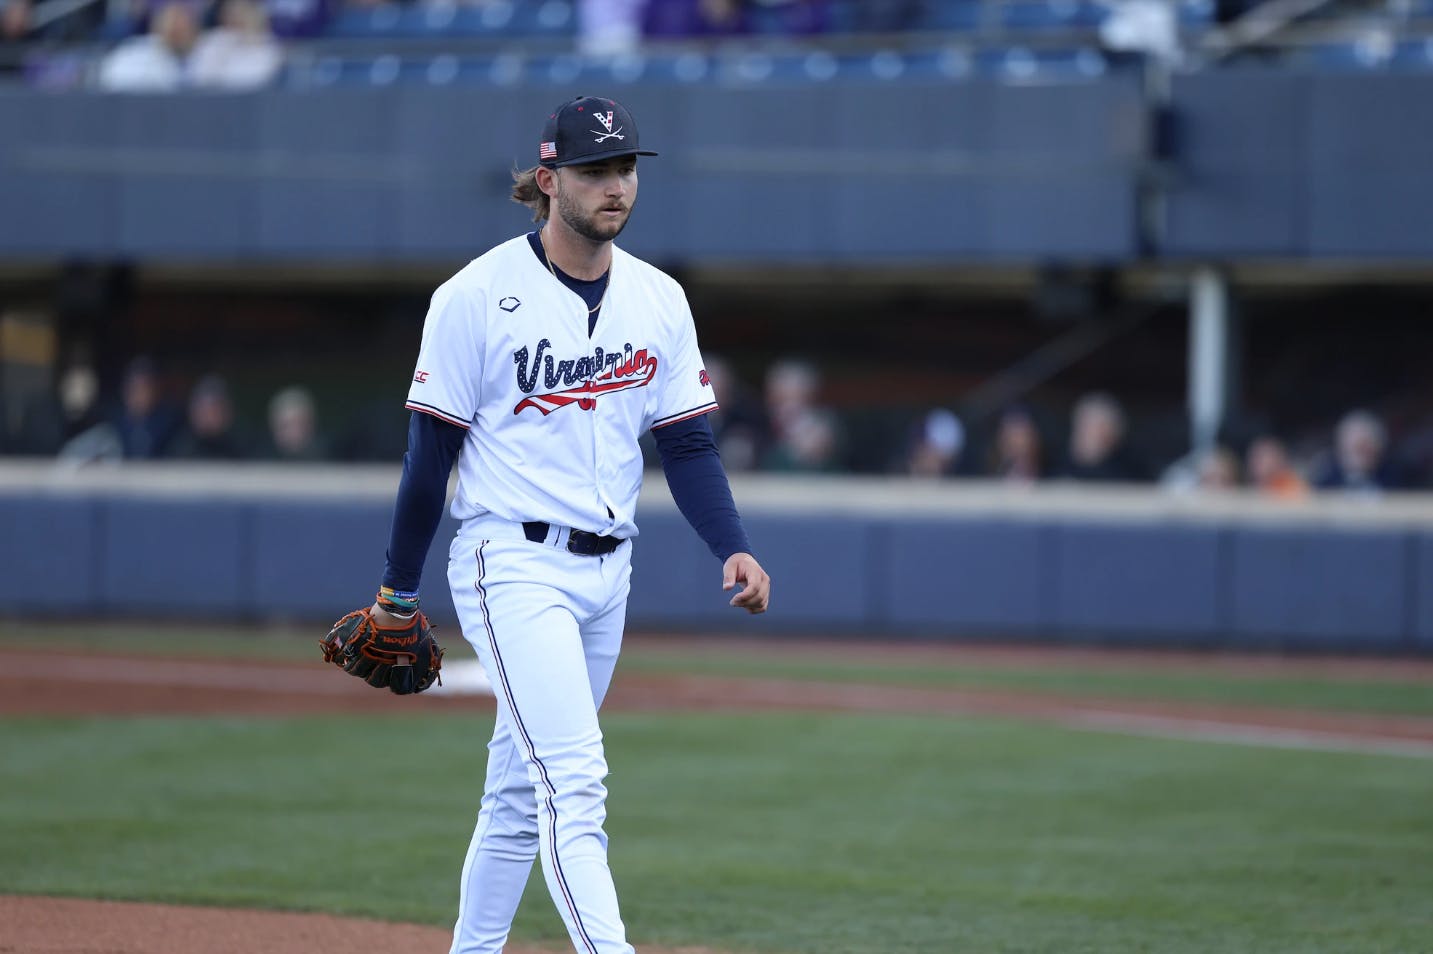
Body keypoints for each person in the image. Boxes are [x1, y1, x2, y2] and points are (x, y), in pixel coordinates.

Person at [338, 95, 770, 954]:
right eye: (595, 171)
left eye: (625, 169)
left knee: (513, 792)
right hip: (511, 560)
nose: (615, 186)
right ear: (547, 181)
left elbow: (686, 445)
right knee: (574, 784)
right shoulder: (475, 295)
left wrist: (733, 545)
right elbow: (430, 456)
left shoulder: (658, 299)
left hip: (610, 573)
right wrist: (398, 585)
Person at [96, 0, 198, 91]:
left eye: (182, 26)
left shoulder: (203, 54)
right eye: (171, 24)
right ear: (157, 25)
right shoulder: (134, 54)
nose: (176, 30)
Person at [188, 0, 283, 90]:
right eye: (231, 11)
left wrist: (249, 41)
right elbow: (199, 78)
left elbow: (259, 80)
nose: (236, 16)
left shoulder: (268, 47)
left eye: (242, 11)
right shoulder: (212, 41)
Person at [1058, 391, 1147, 482]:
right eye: (1083, 424)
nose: (1085, 432)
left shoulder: (1128, 469)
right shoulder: (1059, 463)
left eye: (1094, 427)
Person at [1310, 409, 1405, 495]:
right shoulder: (1323, 485)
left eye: (1364, 448)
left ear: (1379, 449)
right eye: (1353, 448)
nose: (1358, 455)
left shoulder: (1399, 482)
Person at [169, 373, 251, 459]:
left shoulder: (242, 445)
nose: (209, 417)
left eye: (214, 410)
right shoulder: (181, 447)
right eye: (203, 410)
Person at [1244, 434, 1308, 500]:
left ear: (1278, 459)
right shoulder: (1243, 484)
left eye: (1263, 457)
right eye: (1254, 457)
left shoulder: (1291, 486)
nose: (1256, 462)